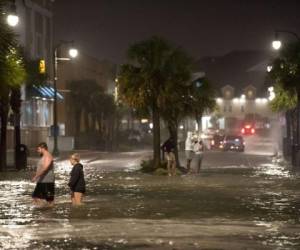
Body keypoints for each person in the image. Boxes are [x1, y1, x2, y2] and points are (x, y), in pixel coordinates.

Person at [32, 142, 55, 206]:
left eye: (38, 149)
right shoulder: (44, 156)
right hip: (42, 180)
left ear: (43, 148)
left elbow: (45, 168)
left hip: (47, 180)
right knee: (35, 197)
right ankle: (41, 210)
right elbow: (41, 167)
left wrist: (36, 176)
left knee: (49, 200)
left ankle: (49, 211)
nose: (37, 151)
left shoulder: (47, 156)